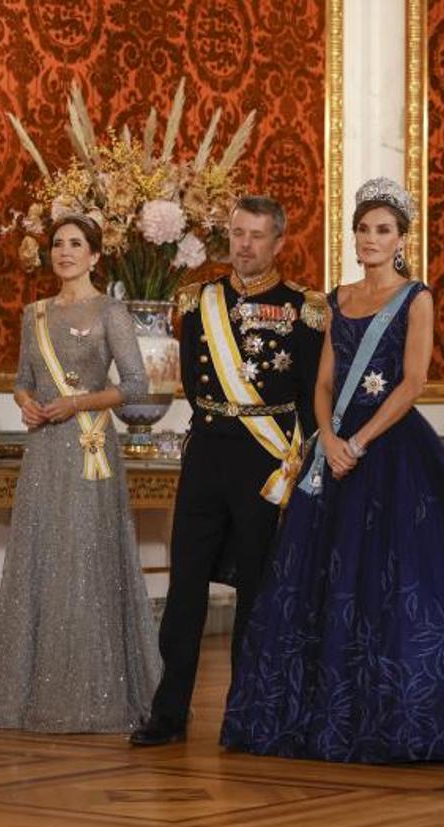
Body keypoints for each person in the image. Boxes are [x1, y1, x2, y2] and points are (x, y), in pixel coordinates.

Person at [219, 177, 444, 763]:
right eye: (363, 229)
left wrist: (360, 441)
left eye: (383, 230)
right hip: (336, 448)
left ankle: (396, 716)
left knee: (394, 582)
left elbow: (414, 383)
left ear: (401, 238)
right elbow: (323, 382)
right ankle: (317, 718)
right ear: (352, 237)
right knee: (318, 581)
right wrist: (328, 436)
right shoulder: (338, 298)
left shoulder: (415, 297)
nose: (370, 239)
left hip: (394, 452)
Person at [131, 196, 325, 746]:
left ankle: (247, 713)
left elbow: (312, 396)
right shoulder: (197, 302)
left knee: (255, 589)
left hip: (265, 461)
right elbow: (193, 389)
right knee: (186, 585)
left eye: (257, 235)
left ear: (279, 241)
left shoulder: (303, 309)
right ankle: (169, 714)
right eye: (238, 233)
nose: (244, 245)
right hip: (208, 455)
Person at [0, 213, 159, 733]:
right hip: (44, 450)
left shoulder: (111, 310)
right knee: (43, 557)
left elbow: (136, 385)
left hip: (88, 449)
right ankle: (33, 695)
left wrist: (77, 402)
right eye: (58, 243)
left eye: (76, 244)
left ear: (95, 255)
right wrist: (27, 403)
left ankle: (98, 694)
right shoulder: (33, 313)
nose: (64, 252)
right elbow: (20, 378)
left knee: (85, 560)